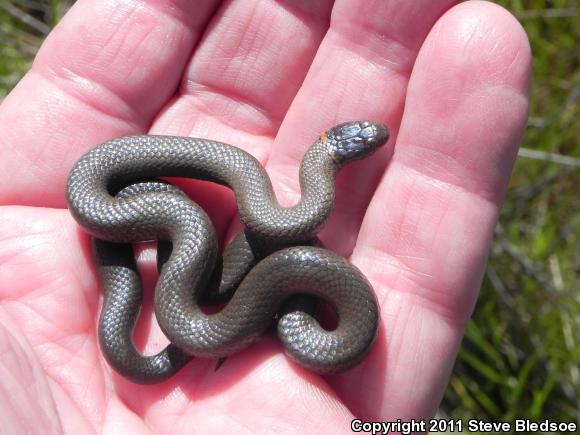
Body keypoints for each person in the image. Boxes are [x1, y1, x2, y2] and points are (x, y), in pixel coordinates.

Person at [0, 0, 531, 432]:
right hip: (182, 262)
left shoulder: (276, 216)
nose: (371, 141)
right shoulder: (268, 210)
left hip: (209, 287)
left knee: (199, 252)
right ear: (337, 155)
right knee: (186, 228)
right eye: (363, 144)